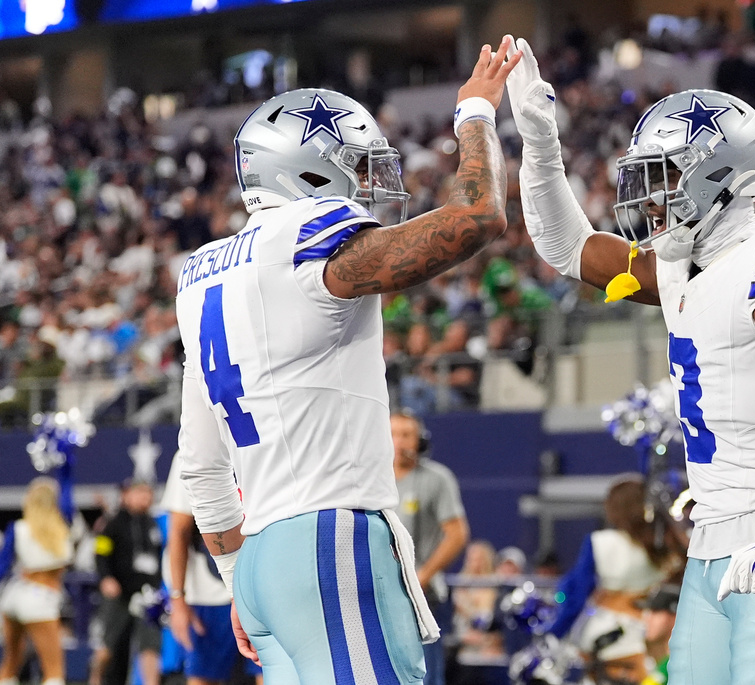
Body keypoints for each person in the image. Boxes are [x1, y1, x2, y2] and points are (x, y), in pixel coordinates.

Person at [507, 37, 755, 684]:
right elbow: (569, 248)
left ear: (719, 176)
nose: (650, 196)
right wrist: (539, 141)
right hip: (708, 544)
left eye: (664, 176)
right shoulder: (679, 267)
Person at [175, 37, 520, 685]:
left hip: (260, 559)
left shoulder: (200, 275)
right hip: (330, 537)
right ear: (306, 171)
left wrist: (238, 577)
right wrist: (475, 112)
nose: (367, 183)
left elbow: (199, 463)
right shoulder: (307, 238)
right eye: (355, 166)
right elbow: (477, 215)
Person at [548, 477, 680, 655]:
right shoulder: (668, 543)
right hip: (660, 636)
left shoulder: (600, 542)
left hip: (610, 638)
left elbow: (576, 598)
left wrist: (553, 634)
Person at [162, 453, 263, 685]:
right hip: (209, 594)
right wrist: (178, 599)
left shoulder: (260, 440)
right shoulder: (191, 451)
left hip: (261, 585)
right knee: (204, 677)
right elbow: (179, 531)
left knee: (272, 671)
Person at [392, 410, 470, 685]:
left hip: (423, 596)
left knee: (426, 674)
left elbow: (457, 535)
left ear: (420, 440)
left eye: (406, 434)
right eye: (392, 434)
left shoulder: (437, 479)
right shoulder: (372, 480)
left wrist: (423, 575)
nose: (399, 441)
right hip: (381, 593)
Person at [0, 477, 74, 685]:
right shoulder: (62, 525)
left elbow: (2, 567)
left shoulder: (18, 528)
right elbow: (67, 491)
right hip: (41, 597)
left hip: (14, 595)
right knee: (54, 671)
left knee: (11, 663)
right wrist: (67, 465)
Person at [90, 479, 163, 685]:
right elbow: (100, 553)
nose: (145, 498)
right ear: (127, 495)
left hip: (148, 595)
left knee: (150, 644)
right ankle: (95, 679)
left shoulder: (152, 524)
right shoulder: (112, 523)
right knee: (107, 644)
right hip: (120, 593)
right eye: (140, 493)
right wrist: (106, 578)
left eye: (148, 493)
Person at [450, 540, 504, 685]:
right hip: (463, 646)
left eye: (479, 558)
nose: (475, 562)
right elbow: (454, 622)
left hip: (488, 646)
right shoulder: (459, 585)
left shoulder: (494, 585)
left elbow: (491, 620)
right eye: (472, 558)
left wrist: (487, 640)